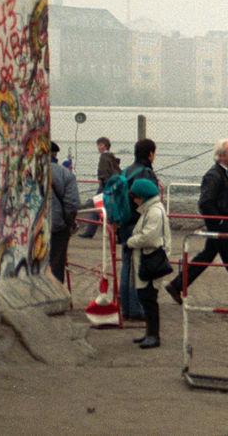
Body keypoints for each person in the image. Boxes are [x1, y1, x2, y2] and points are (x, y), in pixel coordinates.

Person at [164, 140, 228, 307]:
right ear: (221, 155)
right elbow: (205, 202)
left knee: (207, 256)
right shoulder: (213, 175)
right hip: (220, 224)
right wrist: (219, 220)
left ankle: (176, 285)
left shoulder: (226, 173)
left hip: (223, 222)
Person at [126, 178, 172, 349]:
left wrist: (131, 242)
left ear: (142, 196)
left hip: (151, 259)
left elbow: (149, 238)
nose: (134, 199)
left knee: (149, 298)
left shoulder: (153, 212)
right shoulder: (151, 210)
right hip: (148, 259)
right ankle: (149, 332)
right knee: (146, 297)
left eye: (135, 196)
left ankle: (153, 334)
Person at [118, 139, 160, 320]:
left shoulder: (126, 171)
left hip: (124, 224)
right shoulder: (145, 172)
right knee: (139, 266)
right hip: (137, 224)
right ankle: (137, 308)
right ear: (150, 153)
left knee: (126, 264)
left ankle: (126, 307)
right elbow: (149, 200)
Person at [48, 142, 80, 284]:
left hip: (29, 228)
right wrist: (69, 223)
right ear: (55, 155)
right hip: (57, 226)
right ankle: (54, 296)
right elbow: (72, 205)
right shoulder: (65, 174)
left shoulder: (23, 171)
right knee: (56, 263)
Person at [79, 136, 121, 238]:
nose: (98, 147)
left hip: (104, 186)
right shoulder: (112, 157)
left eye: (100, 145)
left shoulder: (103, 157)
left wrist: (104, 184)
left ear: (104, 146)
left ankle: (89, 232)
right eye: (98, 145)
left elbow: (104, 174)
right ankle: (116, 232)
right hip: (112, 186)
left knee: (95, 206)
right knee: (107, 208)